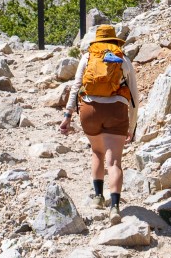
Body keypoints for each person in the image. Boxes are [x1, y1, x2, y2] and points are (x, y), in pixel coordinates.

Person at [60, 23, 139, 220]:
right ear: (114, 40)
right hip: (116, 111)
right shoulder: (123, 59)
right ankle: (115, 207)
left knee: (97, 151)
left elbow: (76, 86)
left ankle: (97, 197)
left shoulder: (88, 57)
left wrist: (68, 115)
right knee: (114, 162)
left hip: (90, 111)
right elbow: (134, 97)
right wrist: (131, 126)